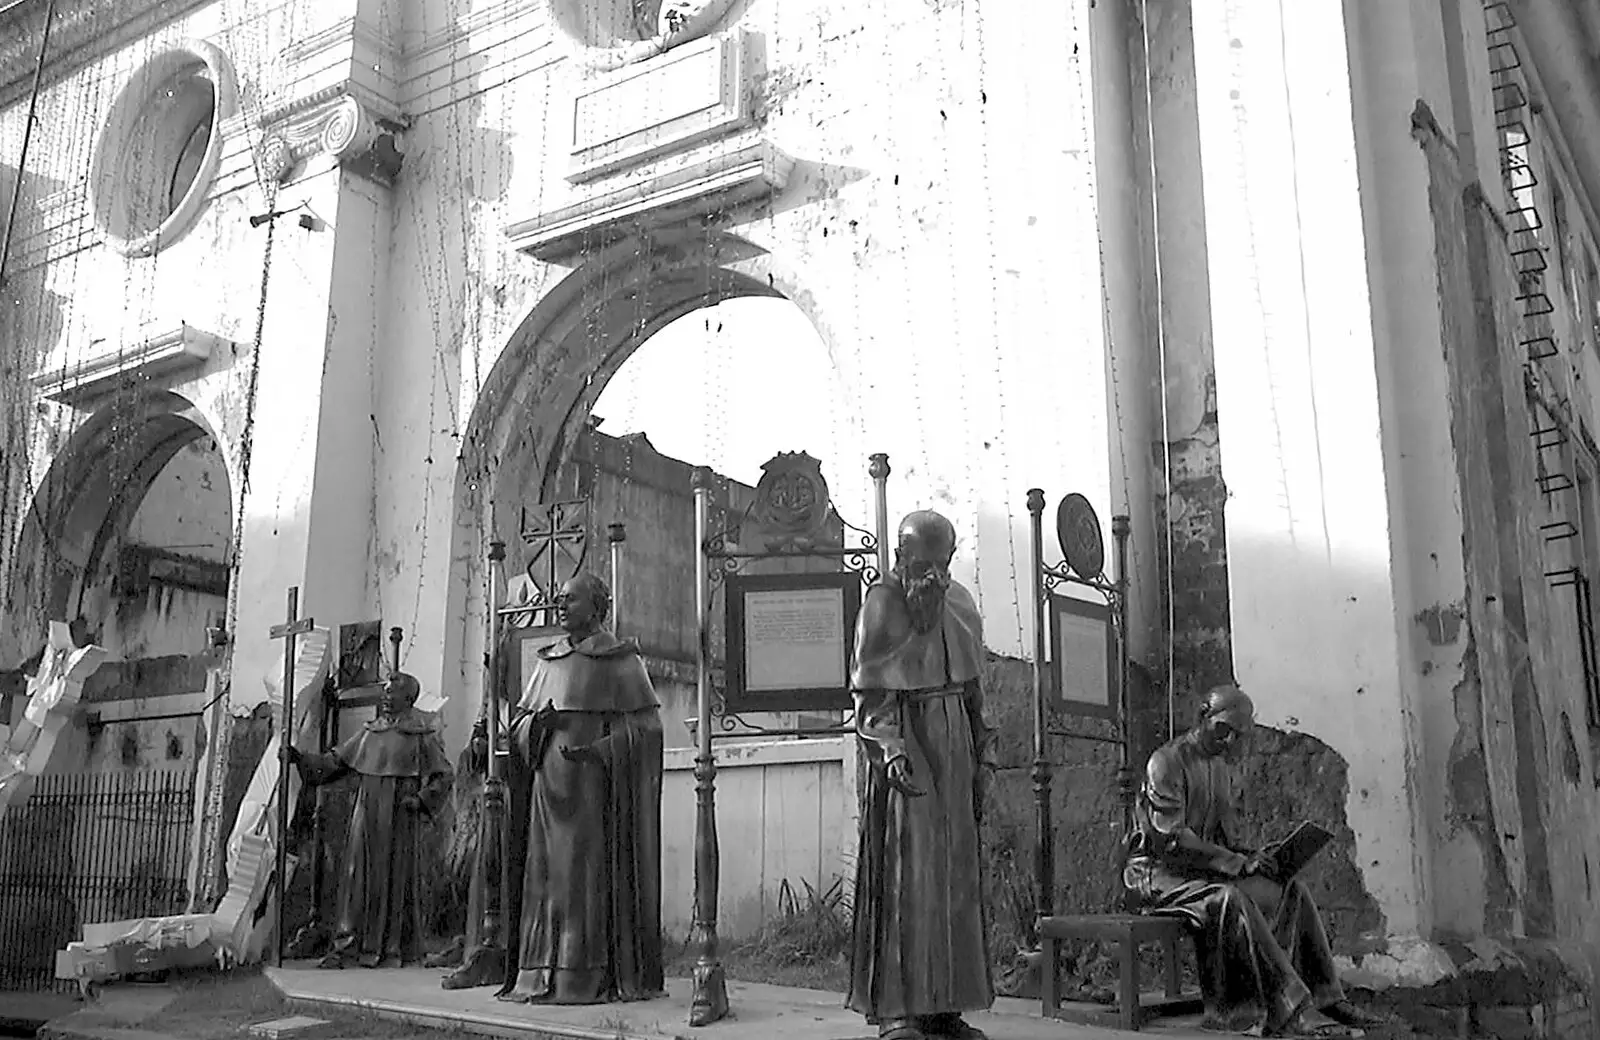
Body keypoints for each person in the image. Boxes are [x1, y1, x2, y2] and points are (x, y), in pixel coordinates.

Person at [1123, 684, 1387, 1036]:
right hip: (1154, 873)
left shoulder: (1219, 768)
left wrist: (1255, 857)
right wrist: (1232, 861)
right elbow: (1170, 839)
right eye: (1224, 730)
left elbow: (1220, 839)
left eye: (1239, 735)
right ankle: (1289, 1007)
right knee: (1229, 900)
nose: (1230, 741)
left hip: (1195, 869)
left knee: (1290, 890)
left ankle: (1327, 996)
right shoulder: (1166, 762)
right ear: (1203, 717)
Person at [848, 510, 995, 1040]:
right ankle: (899, 1008)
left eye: (942, 565)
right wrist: (889, 750)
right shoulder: (881, 606)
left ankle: (944, 1006)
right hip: (908, 742)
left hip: (955, 743)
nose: (932, 578)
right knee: (909, 876)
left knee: (954, 877)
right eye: (921, 565)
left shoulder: (961, 606)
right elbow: (870, 698)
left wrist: (984, 751)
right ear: (899, 560)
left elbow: (974, 688)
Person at [497, 572, 666, 1005]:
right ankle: (537, 972)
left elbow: (647, 729)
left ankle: (581, 974)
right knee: (544, 878)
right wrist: (539, 725)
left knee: (584, 881)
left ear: (596, 607)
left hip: (592, 789)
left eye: (570, 599)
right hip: (546, 789)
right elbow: (518, 723)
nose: (560, 605)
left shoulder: (621, 660)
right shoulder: (547, 661)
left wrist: (602, 750)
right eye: (559, 599)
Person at [287, 671, 453, 969]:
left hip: (401, 815)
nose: (386, 696)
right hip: (366, 811)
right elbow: (333, 763)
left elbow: (443, 775)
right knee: (356, 875)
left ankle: (393, 947)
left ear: (409, 698)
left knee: (395, 878)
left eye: (393, 692)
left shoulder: (421, 734)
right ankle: (349, 944)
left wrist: (421, 799)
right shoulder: (369, 733)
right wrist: (301, 758)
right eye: (385, 691)